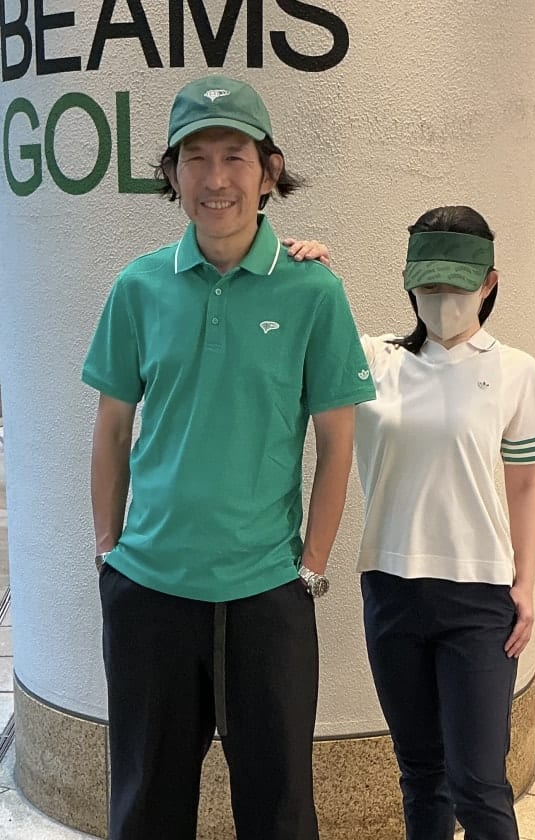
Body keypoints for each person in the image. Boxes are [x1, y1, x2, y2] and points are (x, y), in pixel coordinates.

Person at [82, 74, 375, 840]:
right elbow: (112, 428)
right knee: (145, 809)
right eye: (196, 157)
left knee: (281, 813)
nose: (216, 179)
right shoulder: (138, 287)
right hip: (149, 591)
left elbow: (337, 442)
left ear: (269, 171)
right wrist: (108, 554)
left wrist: (311, 567)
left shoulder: (313, 292)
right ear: (172, 174)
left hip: (267, 595)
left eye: (235, 156)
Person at [288, 205, 535, 840]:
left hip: (480, 598)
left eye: (456, 286)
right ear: (409, 284)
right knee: (421, 773)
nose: (441, 299)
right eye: (428, 285)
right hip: (391, 590)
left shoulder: (515, 371)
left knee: (479, 783)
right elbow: (305, 331)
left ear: (488, 283)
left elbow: (524, 484)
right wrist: (305, 271)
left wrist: (527, 586)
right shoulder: (375, 360)